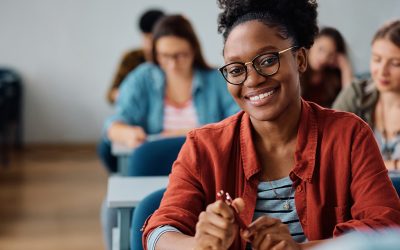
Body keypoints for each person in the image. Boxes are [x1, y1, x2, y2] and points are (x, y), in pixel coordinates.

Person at [142, 1, 400, 250]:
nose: (252, 80)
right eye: (235, 69)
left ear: (300, 60)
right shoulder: (204, 147)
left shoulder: (349, 135)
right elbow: (158, 232)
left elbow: (387, 228)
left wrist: (302, 249)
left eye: (267, 60)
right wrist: (197, 244)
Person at [98, 14, 239, 173]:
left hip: (206, 169)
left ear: (193, 50)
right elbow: (114, 122)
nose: (172, 65)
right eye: (165, 56)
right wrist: (127, 133)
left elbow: (239, 120)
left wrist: (182, 134)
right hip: (155, 170)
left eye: (180, 56)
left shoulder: (216, 80)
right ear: (155, 54)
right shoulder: (142, 77)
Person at [333, 20, 400, 171]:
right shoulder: (357, 93)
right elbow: (330, 147)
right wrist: (394, 165)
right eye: (377, 59)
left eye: (395, 63)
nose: (382, 71)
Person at [106, 9, 165, 104]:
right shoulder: (131, 58)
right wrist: (128, 95)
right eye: (146, 37)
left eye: (154, 39)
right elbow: (110, 94)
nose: (150, 44)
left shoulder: (169, 60)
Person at [301, 27, 353, 107]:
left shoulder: (332, 80)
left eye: (330, 54)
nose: (323, 58)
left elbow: (350, 103)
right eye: (321, 49)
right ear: (311, 44)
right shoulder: (296, 69)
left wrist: (345, 68)